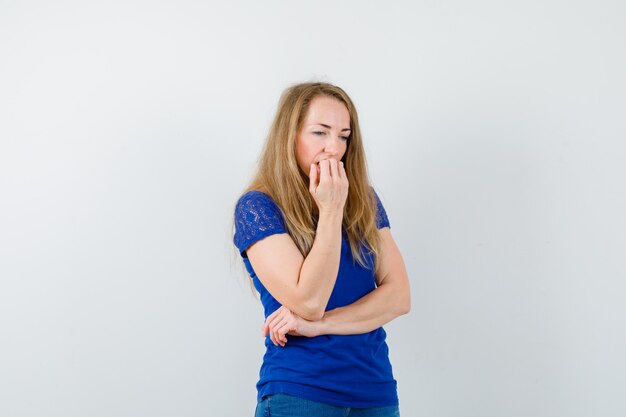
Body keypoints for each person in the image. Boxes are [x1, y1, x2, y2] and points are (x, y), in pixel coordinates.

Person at [232, 82, 410, 417]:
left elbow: (399, 297)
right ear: (291, 136)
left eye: (343, 136)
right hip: (300, 391)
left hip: (375, 392)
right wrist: (330, 211)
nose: (334, 148)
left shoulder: (364, 201)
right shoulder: (258, 207)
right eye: (320, 133)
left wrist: (322, 325)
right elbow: (310, 301)